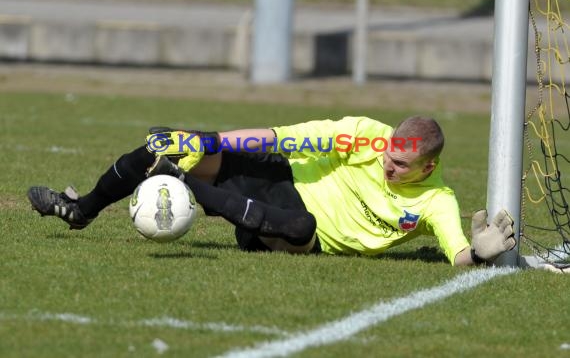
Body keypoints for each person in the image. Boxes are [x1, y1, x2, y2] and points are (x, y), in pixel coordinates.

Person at [27, 115, 515, 266]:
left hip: (293, 230)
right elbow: (283, 139)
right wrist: (211, 142)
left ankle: (182, 185)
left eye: (401, 163)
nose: (387, 162)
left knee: (303, 225)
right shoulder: (368, 134)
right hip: (279, 176)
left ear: (429, 165)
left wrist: (480, 252)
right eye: (387, 153)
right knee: (173, 144)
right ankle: (81, 209)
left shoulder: (439, 200)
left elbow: (458, 256)